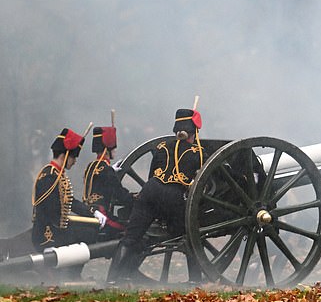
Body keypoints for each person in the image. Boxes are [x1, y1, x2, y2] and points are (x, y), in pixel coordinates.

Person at [106, 108, 205, 285]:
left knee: (130, 237)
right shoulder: (197, 153)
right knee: (190, 236)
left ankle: (111, 280)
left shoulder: (161, 147)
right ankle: (195, 281)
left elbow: (152, 174)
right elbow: (200, 183)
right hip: (174, 196)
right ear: (194, 132)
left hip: (150, 191)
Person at [32, 128, 99, 252]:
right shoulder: (50, 176)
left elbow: (70, 202)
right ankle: (73, 271)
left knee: (91, 229)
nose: (75, 161)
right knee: (89, 233)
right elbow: (50, 211)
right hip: (48, 234)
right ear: (64, 156)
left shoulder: (57, 174)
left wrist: (92, 213)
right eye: (73, 157)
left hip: (56, 228)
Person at [82, 126, 135, 239]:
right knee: (128, 230)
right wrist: (136, 198)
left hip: (88, 210)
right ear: (107, 150)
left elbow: (100, 181)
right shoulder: (107, 170)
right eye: (113, 148)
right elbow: (120, 195)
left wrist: (111, 170)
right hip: (102, 215)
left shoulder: (90, 166)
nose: (115, 151)